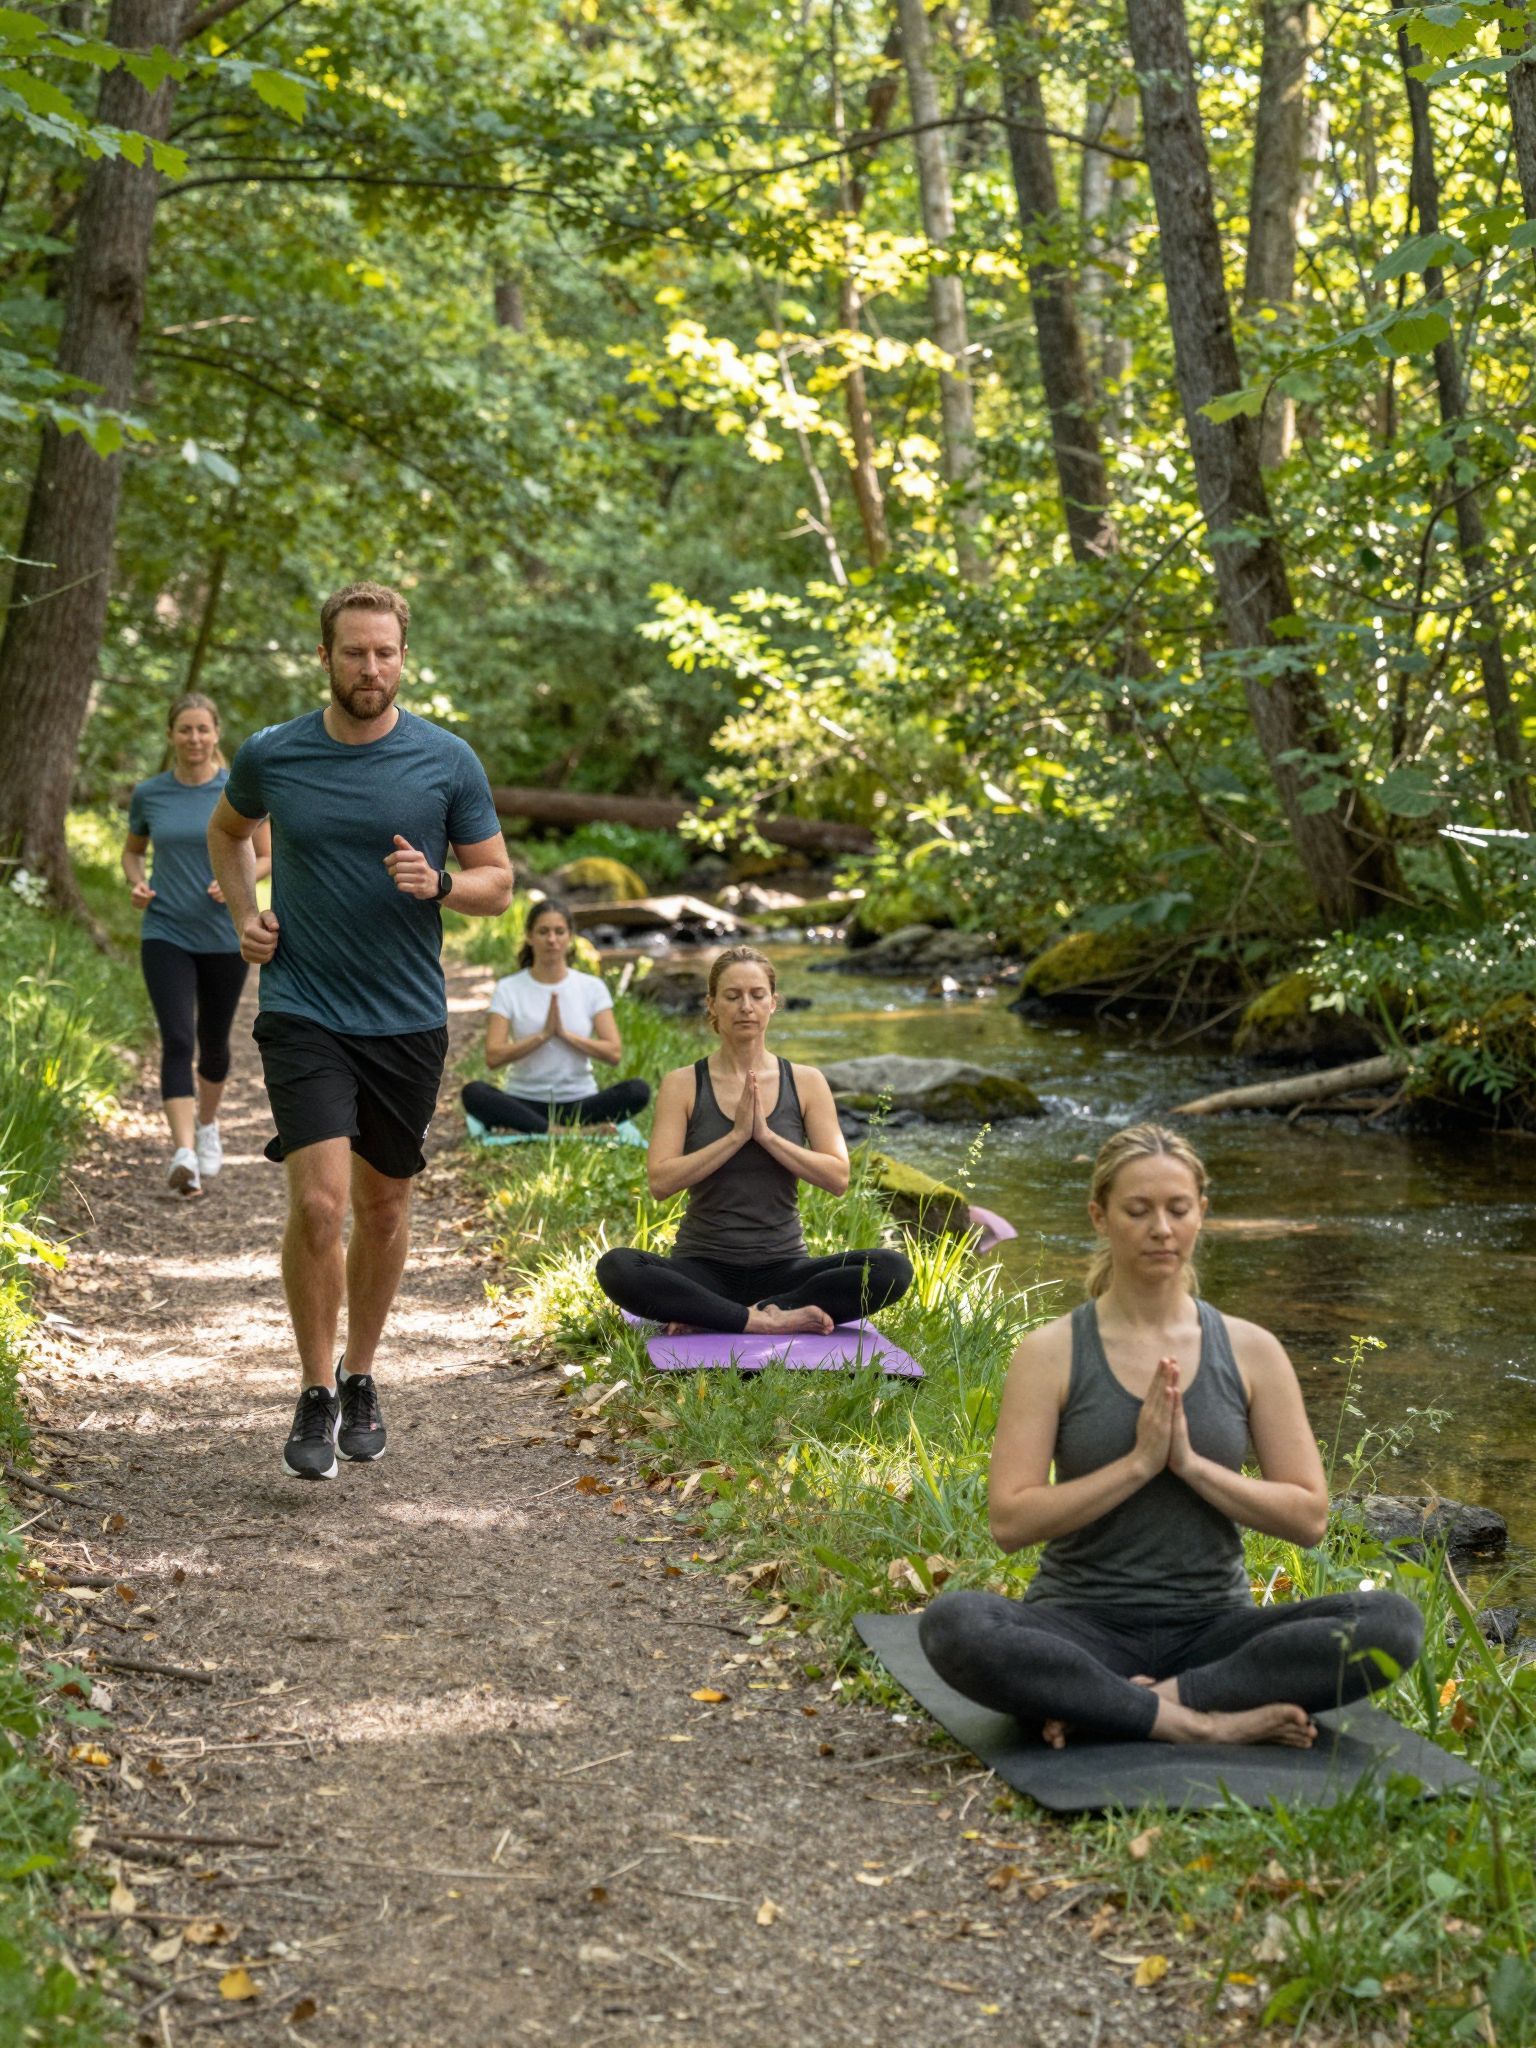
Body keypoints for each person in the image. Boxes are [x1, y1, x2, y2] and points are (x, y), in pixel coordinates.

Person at [918, 1124, 1424, 1750]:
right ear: (1100, 1217)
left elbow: (1309, 1517)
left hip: (1215, 1634)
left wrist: (1189, 1464)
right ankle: (1201, 1722)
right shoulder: (1050, 1353)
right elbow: (1010, 1521)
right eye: (1138, 1211)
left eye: (1178, 1209)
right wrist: (1137, 1464)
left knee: (1392, 1623)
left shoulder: (1252, 1350)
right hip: (1080, 1627)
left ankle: (1121, 1706)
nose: (1161, 1228)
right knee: (955, 1624)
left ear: (1201, 1214)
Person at [207, 581, 513, 1481]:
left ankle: (362, 1375)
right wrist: (244, 916)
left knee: (383, 1209)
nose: (370, 667)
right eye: (354, 652)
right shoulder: (274, 753)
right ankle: (313, 1389)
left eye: (385, 652)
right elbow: (229, 833)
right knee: (320, 1203)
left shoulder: (447, 760)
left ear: (403, 658)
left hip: (407, 1017)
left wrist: (442, 885)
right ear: (325, 657)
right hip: (303, 1006)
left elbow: (498, 882)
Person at [595, 946, 912, 1335]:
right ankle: (760, 1319)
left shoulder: (807, 1082)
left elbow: (838, 1177)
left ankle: (721, 1313)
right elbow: (661, 1183)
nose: (746, 1006)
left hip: (784, 1270)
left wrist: (765, 1136)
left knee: (892, 1268)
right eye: (732, 996)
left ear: (773, 1003)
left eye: (757, 995)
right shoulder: (683, 1084)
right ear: (711, 1004)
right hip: (702, 1267)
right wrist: (735, 1137)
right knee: (617, 1267)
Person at [122, 693, 271, 1195]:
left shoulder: (238, 790)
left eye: (202, 729)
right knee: (178, 1039)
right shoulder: (150, 794)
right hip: (165, 931)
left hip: (224, 934)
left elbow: (266, 855)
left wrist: (234, 880)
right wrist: (136, 883)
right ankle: (184, 1152)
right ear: (171, 735)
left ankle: (207, 1125)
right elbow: (132, 852)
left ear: (215, 734)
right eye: (184, 729)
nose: (194, 738)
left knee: (213, 1042)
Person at [460, 898, 651, 1134]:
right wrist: (543, 1036)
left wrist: (564, 1035)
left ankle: (541, 1129)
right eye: (543, 932)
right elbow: (493, 1057)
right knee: (474, 1092)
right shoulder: (508, 988)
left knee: (638, 1090)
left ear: (570, 937)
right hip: (524, 1102)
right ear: (529, 936)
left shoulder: (592, 987)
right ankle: (565, 1132)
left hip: (579, 1102)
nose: (552, 939)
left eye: (559, 932)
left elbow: (613, 1053)